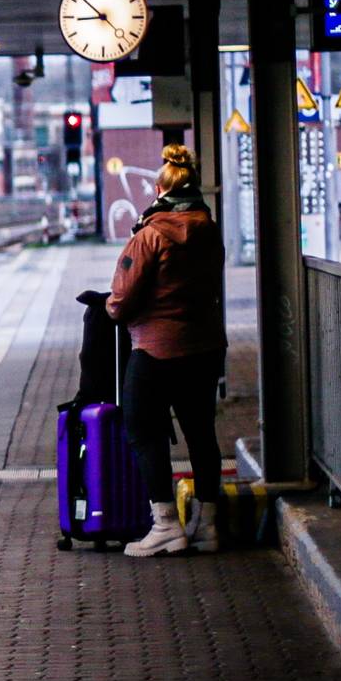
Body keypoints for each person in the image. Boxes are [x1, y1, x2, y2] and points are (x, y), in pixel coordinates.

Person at [101, 143, 227, 556]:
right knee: (201, 433)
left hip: (156, 349)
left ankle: (166, 526)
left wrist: (110, 307)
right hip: (205, 346)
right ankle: (208, 525)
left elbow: (122, 299)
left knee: (142, 429)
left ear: (159, 189)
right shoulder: (209, 229)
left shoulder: (151, 235)